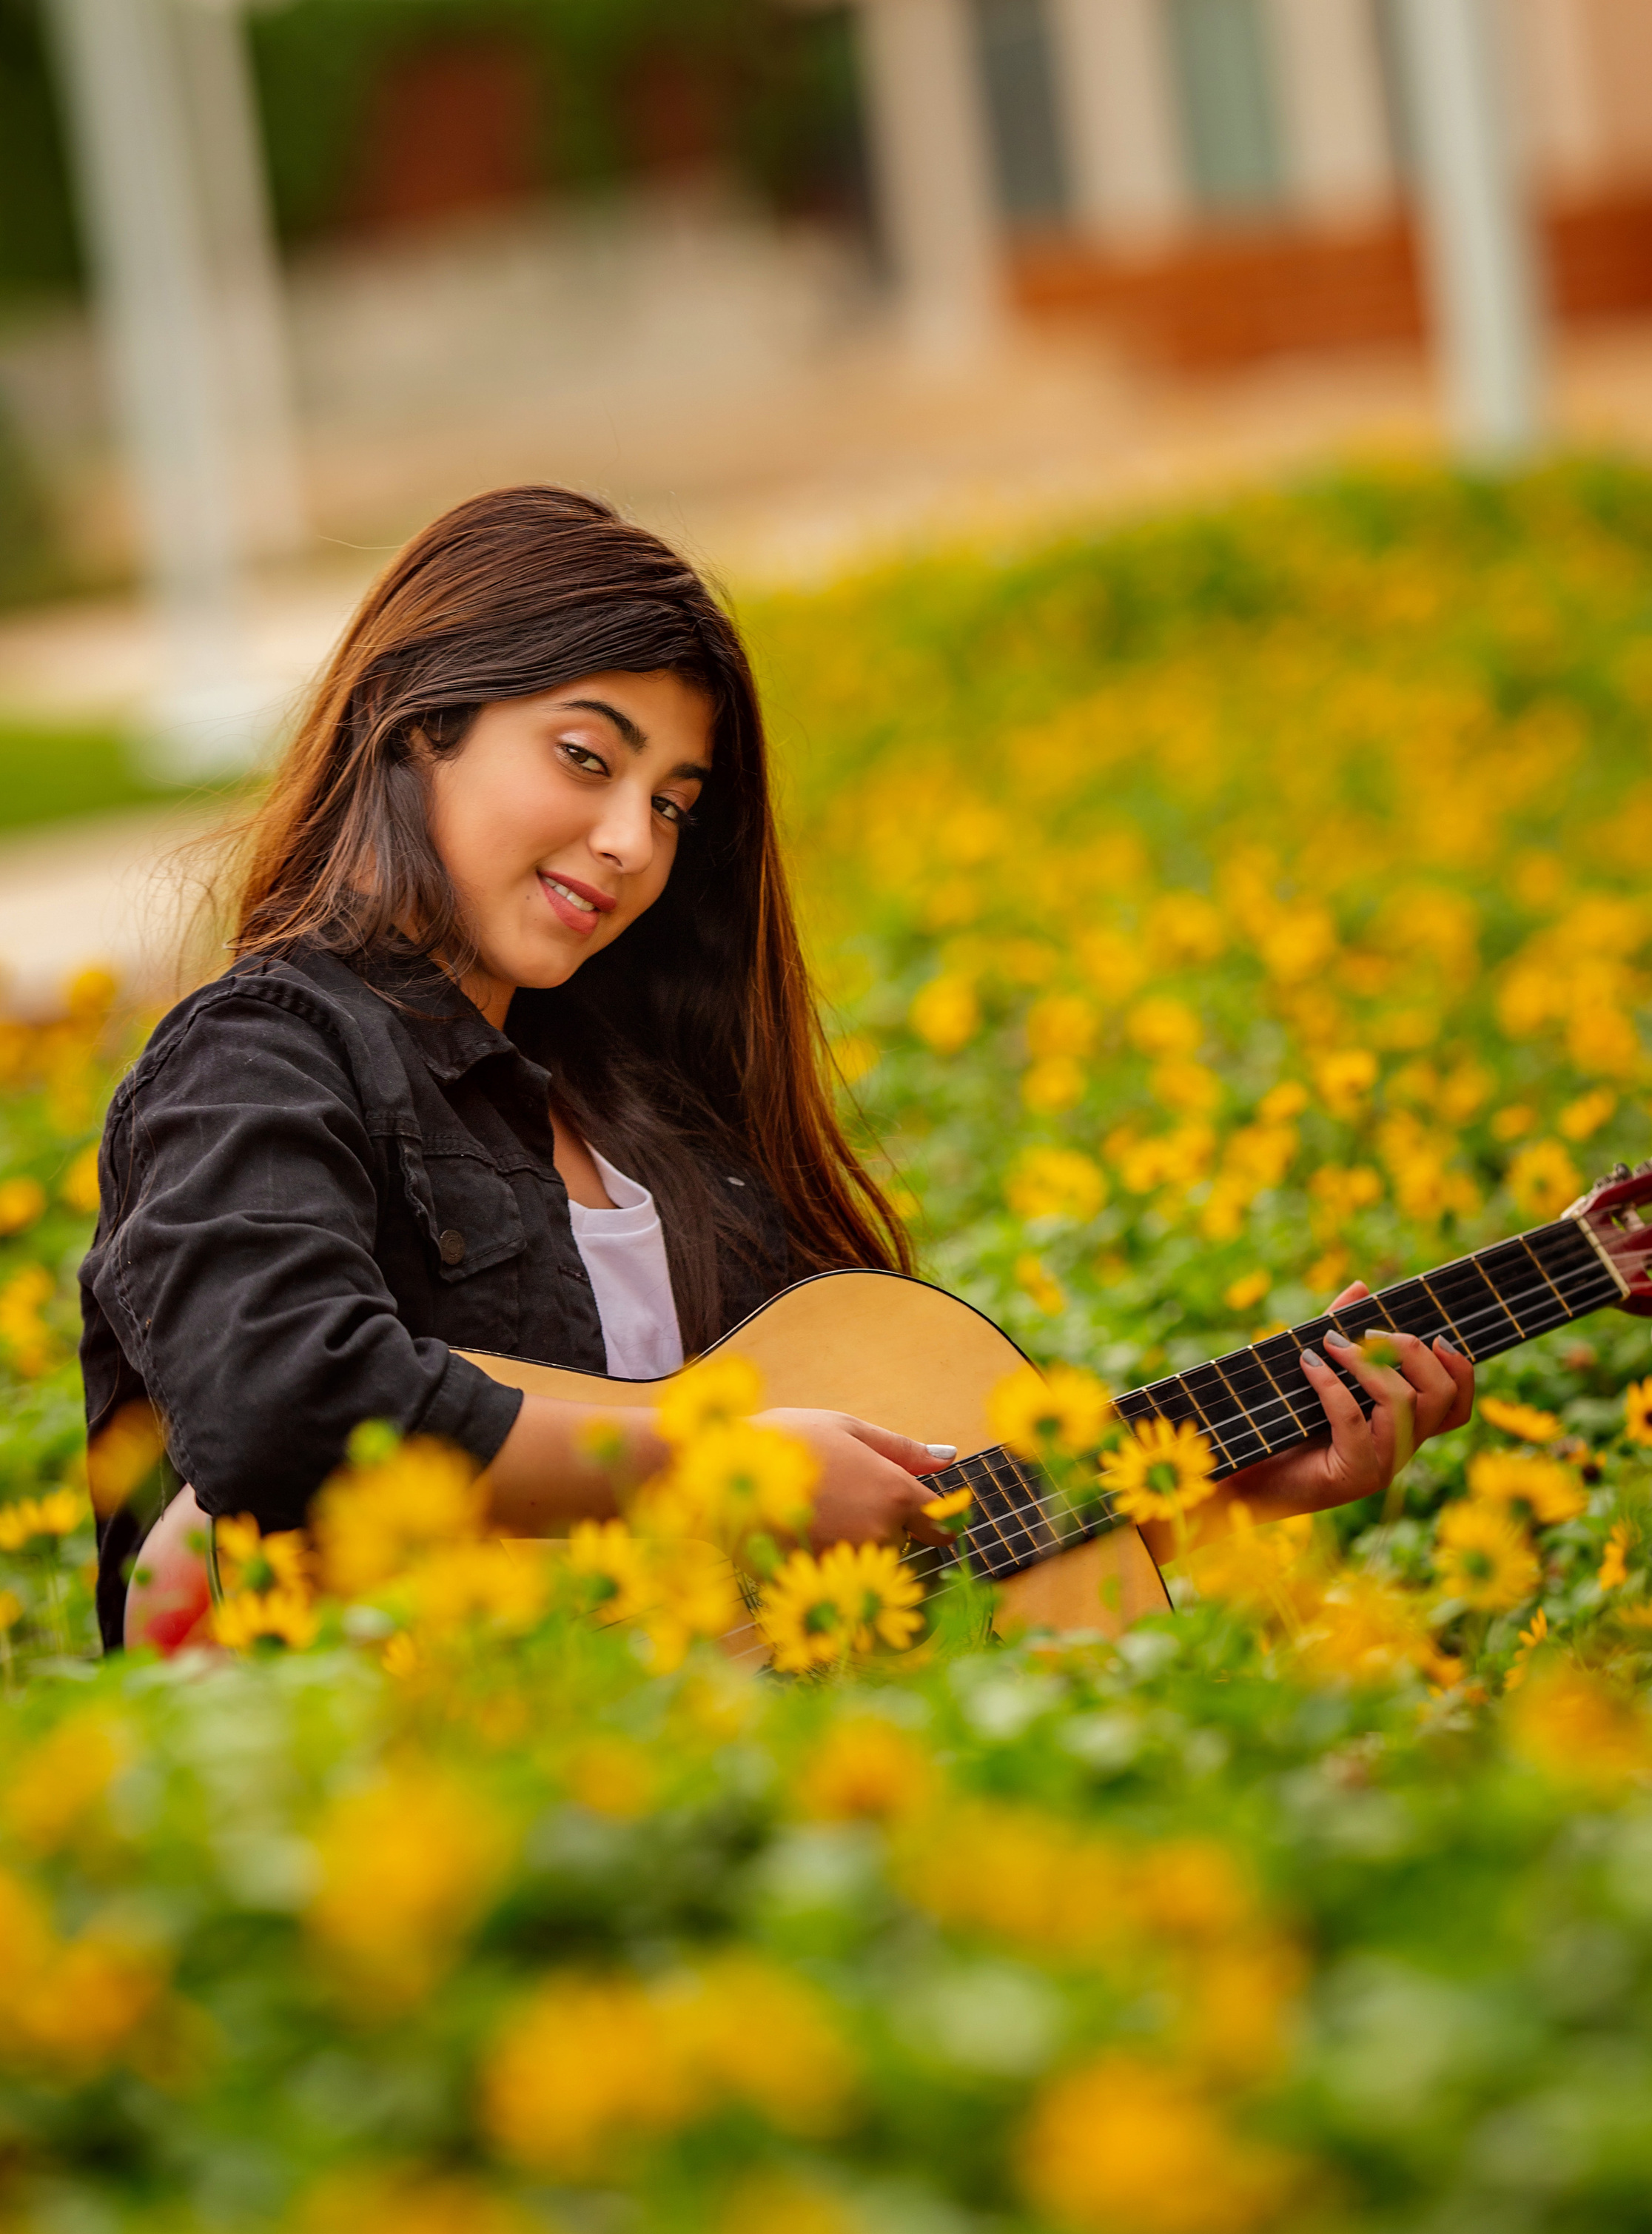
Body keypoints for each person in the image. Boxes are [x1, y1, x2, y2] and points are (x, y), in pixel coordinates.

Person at [79, 486, 1472, 1651]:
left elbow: (806, 1604)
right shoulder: (260, 1056)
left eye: (673, 803)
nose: (632, 838)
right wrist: (722, 1471)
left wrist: (1222, 1492)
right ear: (416, 723)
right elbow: (277, 1405)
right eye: (586, 757)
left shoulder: (651, 1117)